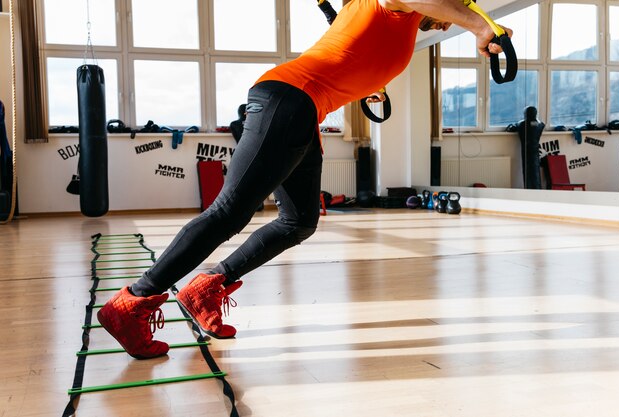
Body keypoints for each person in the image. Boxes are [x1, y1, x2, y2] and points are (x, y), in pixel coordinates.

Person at [97, 0, 512, 359]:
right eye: (459, 5)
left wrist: (370, 85)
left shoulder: (397, 23)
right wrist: (478, 24)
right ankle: (129, 305)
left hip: (304, 111)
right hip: (288, 100)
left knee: (299, 221)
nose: (447, 19)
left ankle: (207, 287)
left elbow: (352, 57)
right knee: (229, 212)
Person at [517, 106, 545, 189]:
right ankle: (537, 190)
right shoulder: (540, 124)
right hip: (535, 151)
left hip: (526, 151)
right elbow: (540, 124)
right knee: (535, 173)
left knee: (528, 173)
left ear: (525, 113)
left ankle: (529, 192)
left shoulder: (521, 124)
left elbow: (516, 126)